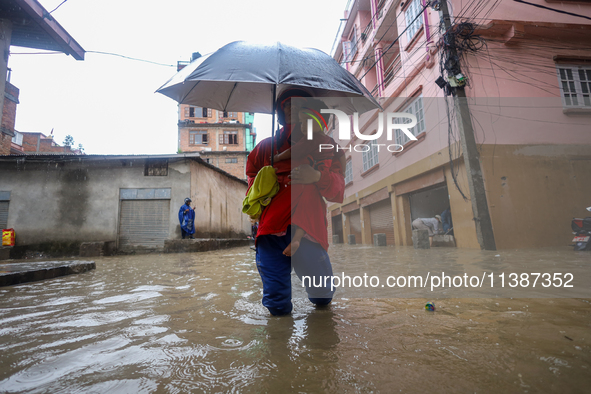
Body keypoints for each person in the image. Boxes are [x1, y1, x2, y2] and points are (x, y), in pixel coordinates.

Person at [246, 88, 345, 316]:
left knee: (322, 298)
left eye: (299, 105)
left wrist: (319, 177)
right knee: (276, 305)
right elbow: (251, 174)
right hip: (271, 229)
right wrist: (257, 191)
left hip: (309, 229)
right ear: (280, 111)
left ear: (310, 112)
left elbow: (337, 190)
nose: (292, 109)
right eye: (287, 105)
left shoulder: (327, 144)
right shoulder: (264, 147)